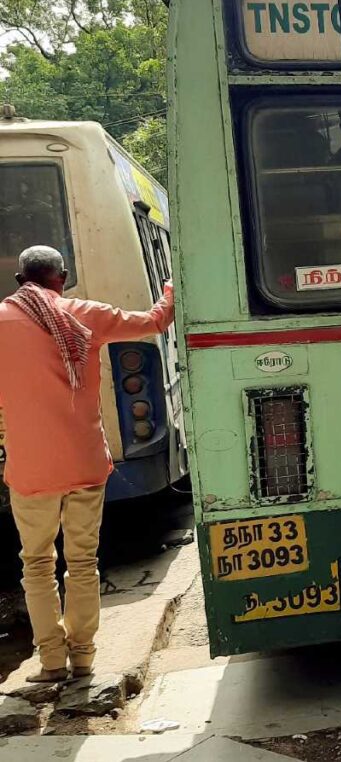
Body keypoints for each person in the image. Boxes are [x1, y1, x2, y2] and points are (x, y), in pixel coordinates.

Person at [0, 246, 174, 683]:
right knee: (82, 561)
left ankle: (51, 662)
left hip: (30, 471)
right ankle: (83, 658)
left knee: (37, 564)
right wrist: (172, 285)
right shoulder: (83, 313)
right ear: (61, 277)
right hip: (84, 463)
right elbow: (155, 320)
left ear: (22, 280)